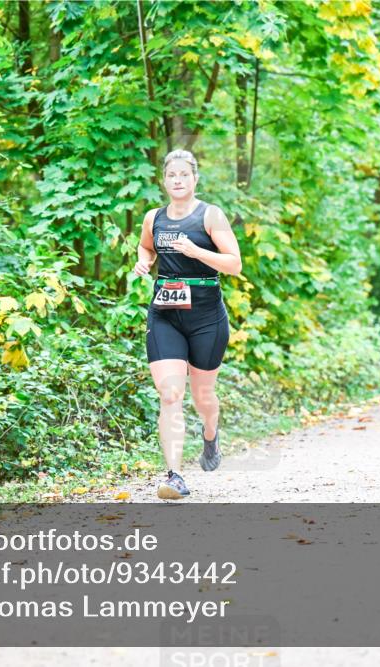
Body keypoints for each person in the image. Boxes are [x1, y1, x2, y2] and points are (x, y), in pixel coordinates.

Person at [134, 149, 242, 500]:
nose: (177, 180)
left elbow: (233, 263)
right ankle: (175, 475)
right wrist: (143, 262)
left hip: (206, 315)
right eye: (171, 175)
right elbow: (145, 247)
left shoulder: (211, 215)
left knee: (202, 395)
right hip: (165, 313)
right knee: (170, 393)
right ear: (163, 181)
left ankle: (210, 433)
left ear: (195, 179)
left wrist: (196, 252)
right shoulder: (153, 217)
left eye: (184, 175)